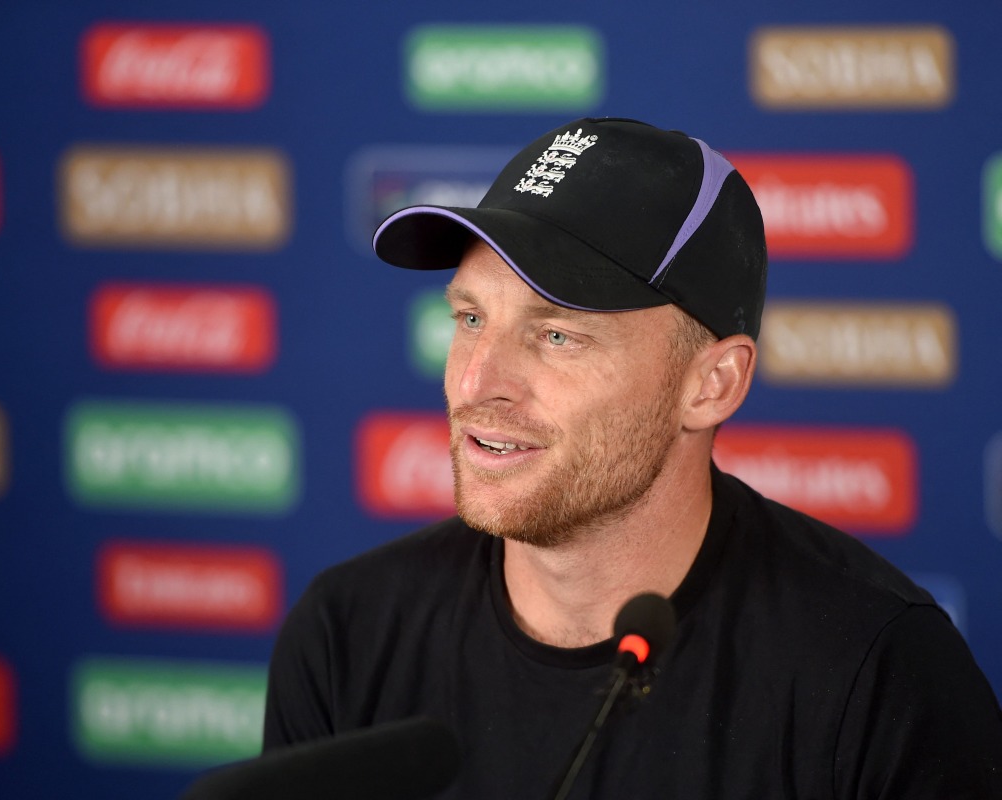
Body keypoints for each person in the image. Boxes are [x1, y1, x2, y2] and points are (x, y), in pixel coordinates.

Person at [262, 118, 1002, 797]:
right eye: (471, 318)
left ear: (712, 385)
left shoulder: (881, 675)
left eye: (557, 336)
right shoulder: (345, 637)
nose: (476, 383)